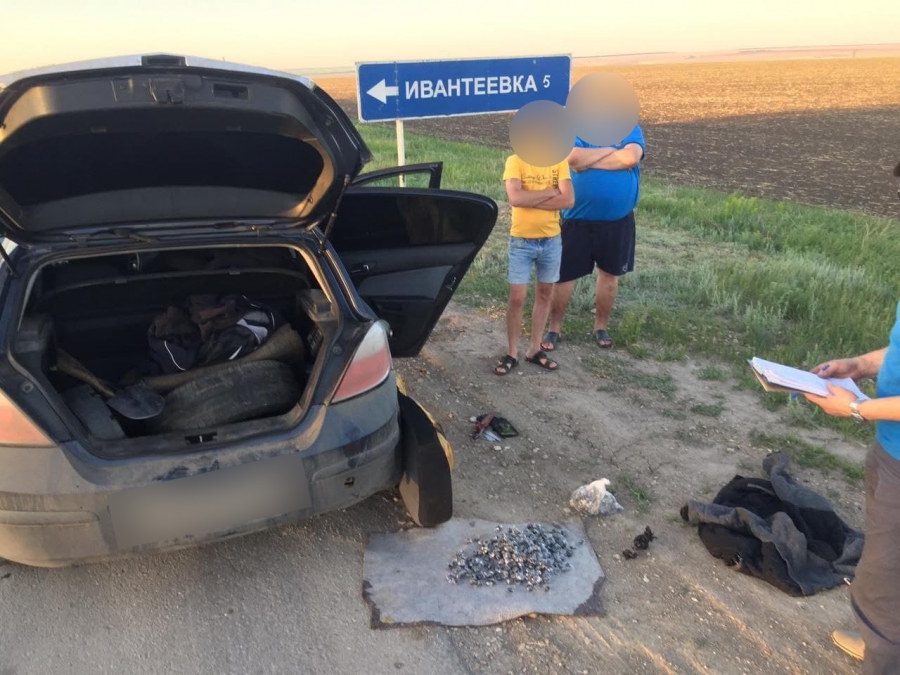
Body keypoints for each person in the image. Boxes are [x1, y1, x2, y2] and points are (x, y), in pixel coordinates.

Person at [802, 310, 900, 672]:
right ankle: (884, 644)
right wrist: (860, 365)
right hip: (890, 448)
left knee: (880, 585)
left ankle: (885, 653)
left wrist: (859, 407)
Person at [542, 124, 645, 351]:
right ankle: (554, 328)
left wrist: (589, 160)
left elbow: (630, 158)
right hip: (575, 219)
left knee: (609, 274)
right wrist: (612, 151)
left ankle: (600, 327)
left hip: (617, 220)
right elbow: (572, 158)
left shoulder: (628, 127)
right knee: (564, 276)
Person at [494, 153, 574, 376]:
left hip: (551, 241)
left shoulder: (558, 161)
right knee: (517, 297)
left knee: (545, 294)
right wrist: (551, 192)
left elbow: (568, 200)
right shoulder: (515, 161)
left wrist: (531, 198)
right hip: (521, 241)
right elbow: (515, 198)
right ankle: (512, 353)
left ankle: (534, 349)